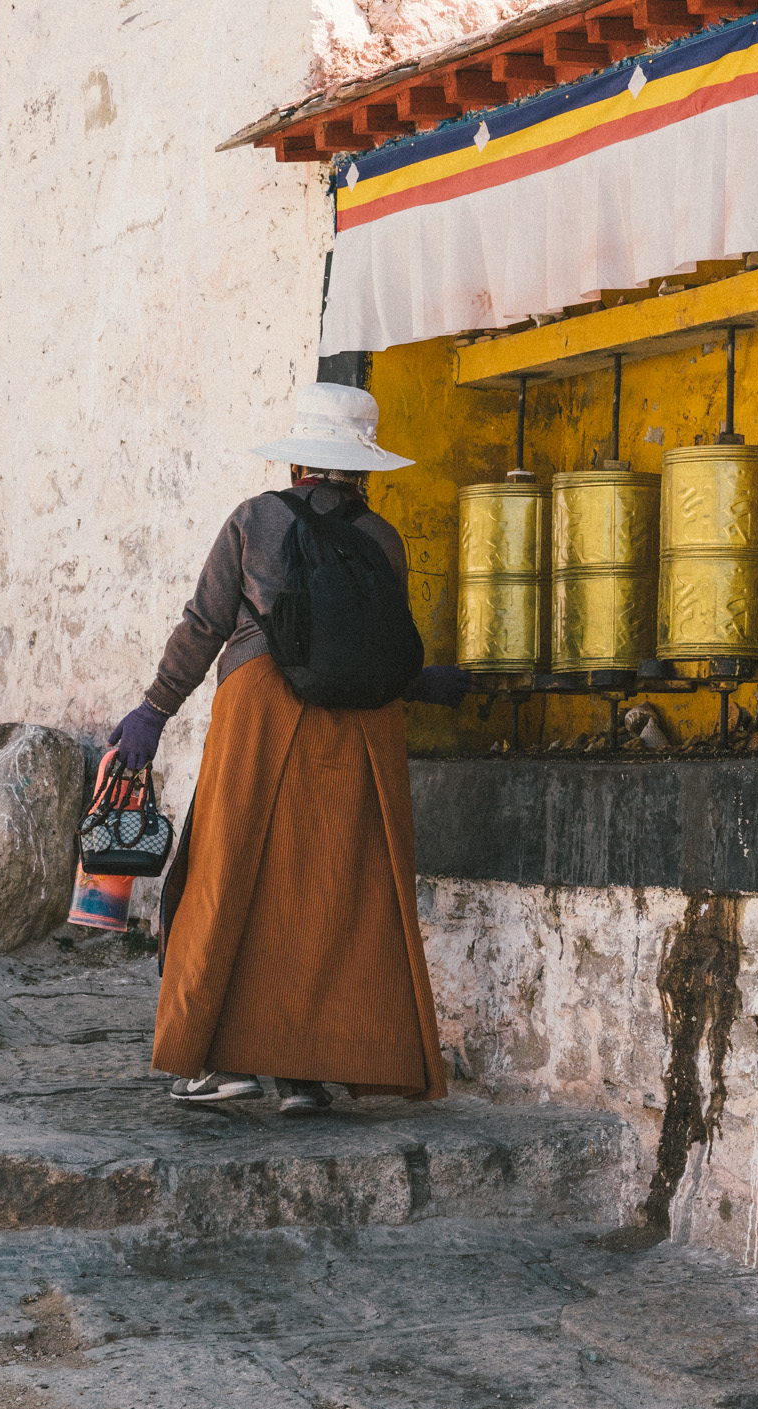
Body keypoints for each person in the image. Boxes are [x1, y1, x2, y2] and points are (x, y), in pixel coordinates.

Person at [107, 383, 471, 1116]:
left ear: (300, 461)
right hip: (360, 729)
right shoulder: (382, 540)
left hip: (261, 715)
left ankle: (212, 1062)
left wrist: (154, 711)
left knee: (225, 878)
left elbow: (203, 626)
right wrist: (431, 686)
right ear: (361, 467)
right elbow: (382, 652)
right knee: (327, 895)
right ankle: (305, 1075)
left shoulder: (254, 520)